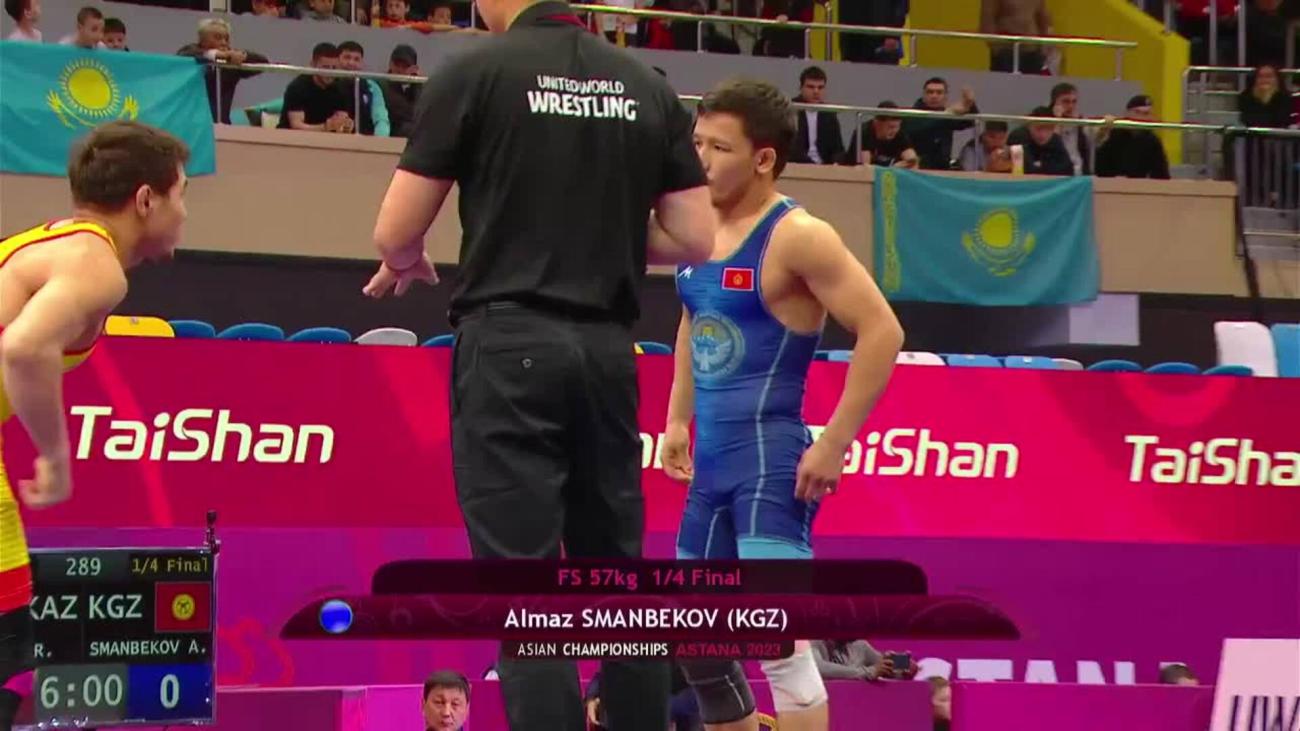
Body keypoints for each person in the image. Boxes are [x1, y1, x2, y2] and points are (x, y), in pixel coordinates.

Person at [362, 0, 715, 729]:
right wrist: (600, 233)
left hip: (509, 344)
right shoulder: (645, 85)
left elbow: (395, 229)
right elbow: (694, 237)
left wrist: (407, 256)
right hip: (607, 352)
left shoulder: (475, 72)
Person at [662, 78, 904, 731]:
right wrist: (677, 417)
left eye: (719, 148)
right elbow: (693, 317)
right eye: (697, 143)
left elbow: (883, 331)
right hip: (712, 465)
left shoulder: (799, 236)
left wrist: (835, 442)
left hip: (771, 463)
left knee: (776, 641)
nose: (701, 159)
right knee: (697, 646)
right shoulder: (695, 225)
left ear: (764, 158)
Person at [0, 121, 191, 731]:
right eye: (181, 193)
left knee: (11, 649)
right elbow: (24, 348)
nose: (185, 212)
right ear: (145, 199)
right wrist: (54, 456)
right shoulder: (96, 264)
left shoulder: (47, 244)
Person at [177, 18, 269, 125]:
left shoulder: (230, 62)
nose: (223, 42)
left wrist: (243, 56)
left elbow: (263, 62)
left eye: (226, 39)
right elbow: (184, 55)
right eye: (218, 38)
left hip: (220, 123)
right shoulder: (191, 52)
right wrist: (217, 55)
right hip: (190, 122)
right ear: (202, 40)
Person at [905, 77, 978, 170]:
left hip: (942, 168)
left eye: (939, 92)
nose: (934, 96)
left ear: (945, 96)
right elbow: (918, 126)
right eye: (930, 92)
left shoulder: (948, 114)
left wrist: (970, 104)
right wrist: (946, 114)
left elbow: (971, 122)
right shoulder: (913, 114)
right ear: (923, 95)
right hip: (917, 167)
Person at [1095, 95, 1170, 180]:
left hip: (1139, 185)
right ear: (1127, 113)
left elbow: (1161, 175)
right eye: (1137, 112)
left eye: (1146, 114)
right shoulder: (1113, 134)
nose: (1141, 117)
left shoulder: (1152, 141)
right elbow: (1099, 168)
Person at [788, 66, 845, 166]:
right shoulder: (791, 109)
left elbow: (838, 148)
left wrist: (836, 162)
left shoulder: (829, 113)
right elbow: (790, 147)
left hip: (825, 166)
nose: (816, 91)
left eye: (820, 87)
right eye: (811, 87)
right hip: (798, 165)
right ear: (801, 88)